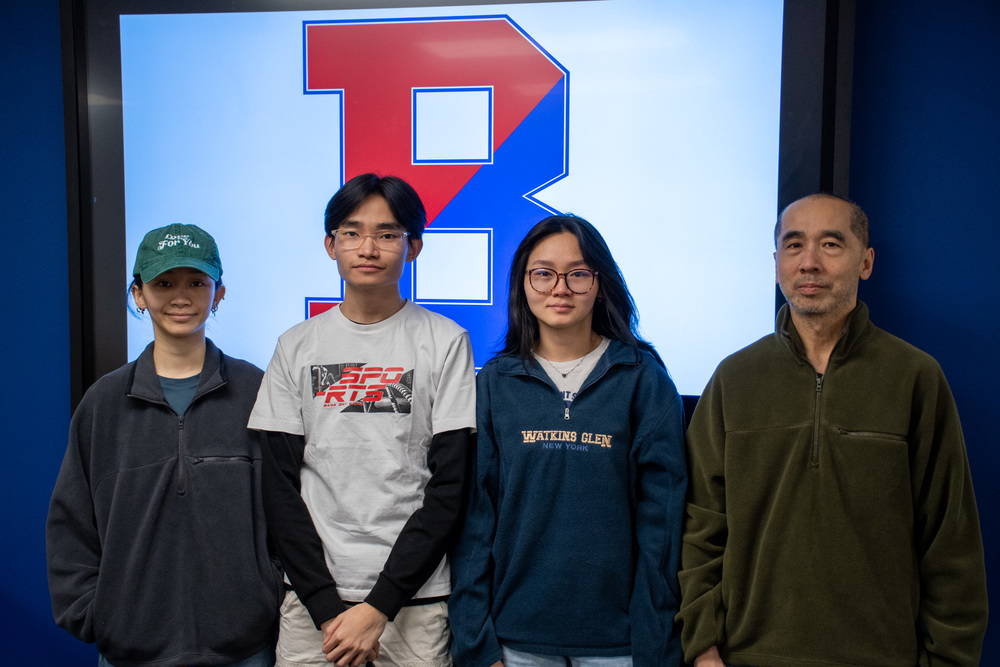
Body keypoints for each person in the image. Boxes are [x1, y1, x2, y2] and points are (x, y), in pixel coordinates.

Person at [677, 193, 989, 666]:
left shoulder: (915, 378)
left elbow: (951, 542)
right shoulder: (733, 379)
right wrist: (703, 650)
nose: (809, 262)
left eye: (830, 244)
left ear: (866, 262)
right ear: (776, 263)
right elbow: (700, 527)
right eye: (794, 245)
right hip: (747, 657)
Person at [248, 173, 476, 667]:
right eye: (352, 233)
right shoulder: (295, 346)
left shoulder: (446, 342)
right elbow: (279, 489)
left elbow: (450, 488)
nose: (368, 248)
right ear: (330, 245)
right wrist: (326, 607)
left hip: (414, 601)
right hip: (313, 602)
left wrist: (379, 606)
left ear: (413, 247)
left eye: (387, 234)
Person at [449, 214, 687, 667]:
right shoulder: (496, 383)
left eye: (577, 274)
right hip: (515, 641)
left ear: (600, 283)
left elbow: (664, 527)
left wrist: (654, 644)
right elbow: (475, 522)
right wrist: (477, 644)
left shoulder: (643, 381)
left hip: (620, 645)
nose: (560, 289)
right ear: (522, 284)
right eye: (543, 274)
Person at [47, 223, 282, 666]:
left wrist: (267, 594)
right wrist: (99, 614)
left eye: (196, 282)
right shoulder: (104, 402)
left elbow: (288, 508)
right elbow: (71, 521)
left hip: (245, 649)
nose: (181, 297)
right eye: (164, 284)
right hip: (131, 650)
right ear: (139, 294)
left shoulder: (256, 390)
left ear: (219, 293)